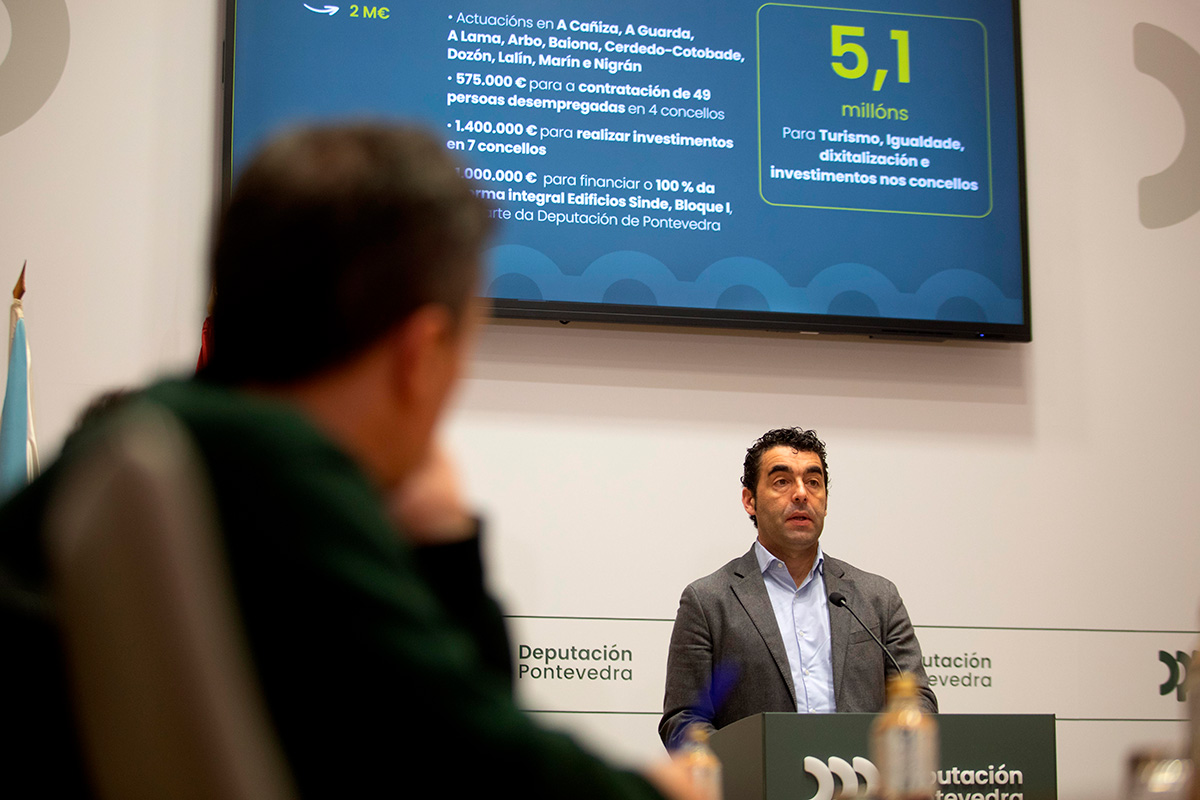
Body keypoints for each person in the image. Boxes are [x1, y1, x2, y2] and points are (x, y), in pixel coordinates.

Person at [0, 123, 695, 798]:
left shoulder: (144, 444)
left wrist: (440, 538)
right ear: (420, 356)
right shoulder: (275, 473)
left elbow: (428, 735)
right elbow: (478, 767)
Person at [659, 427, 936, 750]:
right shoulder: (709, 602)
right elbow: (684, 720)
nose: (802, 493)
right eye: (782, 481)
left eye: (813, 482)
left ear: (826, 501)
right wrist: (746, 770)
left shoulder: (877, 597)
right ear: (750, 500)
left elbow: (917, 699)